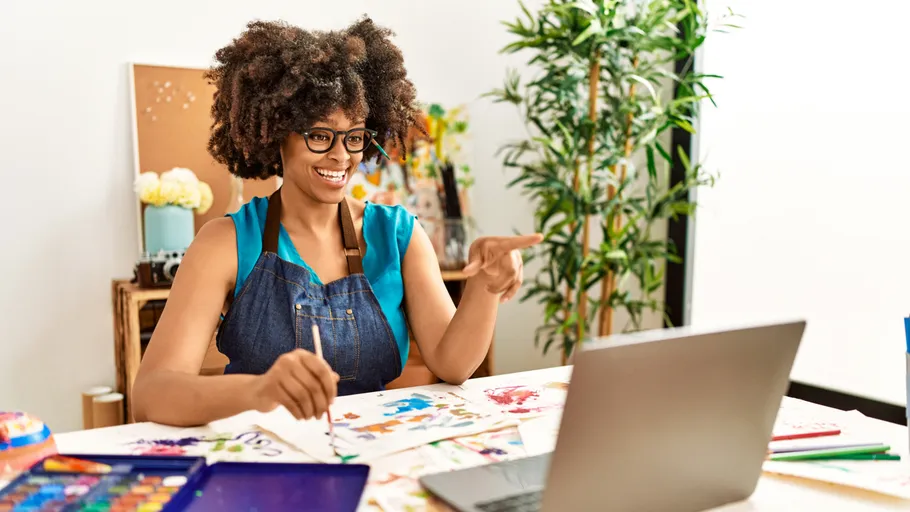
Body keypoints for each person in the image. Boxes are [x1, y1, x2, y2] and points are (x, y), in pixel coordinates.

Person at [131, 17, 542, 427]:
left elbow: (452, 365)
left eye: (355, 136)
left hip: (371, 456)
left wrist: (485, 288)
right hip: (260, 459)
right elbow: (153, 394)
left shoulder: (398, 235)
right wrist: (259, 391)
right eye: (320, 135)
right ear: (277, 134)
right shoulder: (225, 243)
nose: (341, 156)